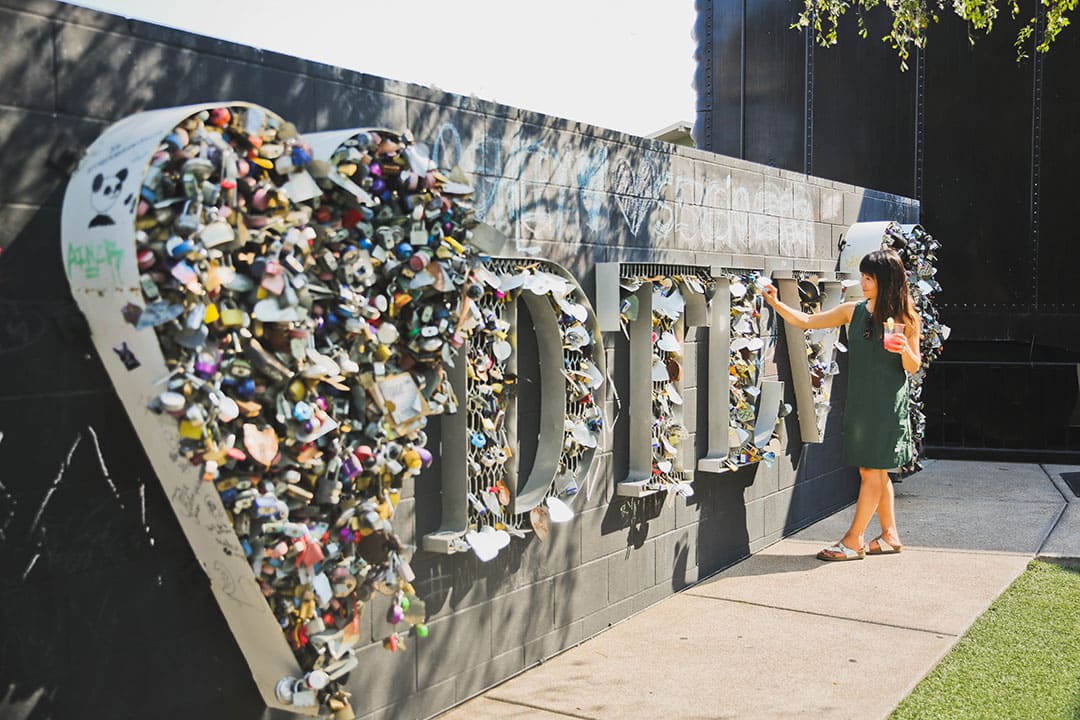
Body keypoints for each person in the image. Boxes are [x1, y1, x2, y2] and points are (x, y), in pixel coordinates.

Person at [762, 249, 921, 560]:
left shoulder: (905, 317)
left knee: (870, 471)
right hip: (862, 404)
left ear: (886, 282)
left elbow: (912, 366)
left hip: (887, 406)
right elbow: (807, 320)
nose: (862, 283)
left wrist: (904, 349)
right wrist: (775, 303)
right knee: (875, 472)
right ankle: (889, 536)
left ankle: (854, 540)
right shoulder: (853, 311)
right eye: (862, 276)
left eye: (869, 278)